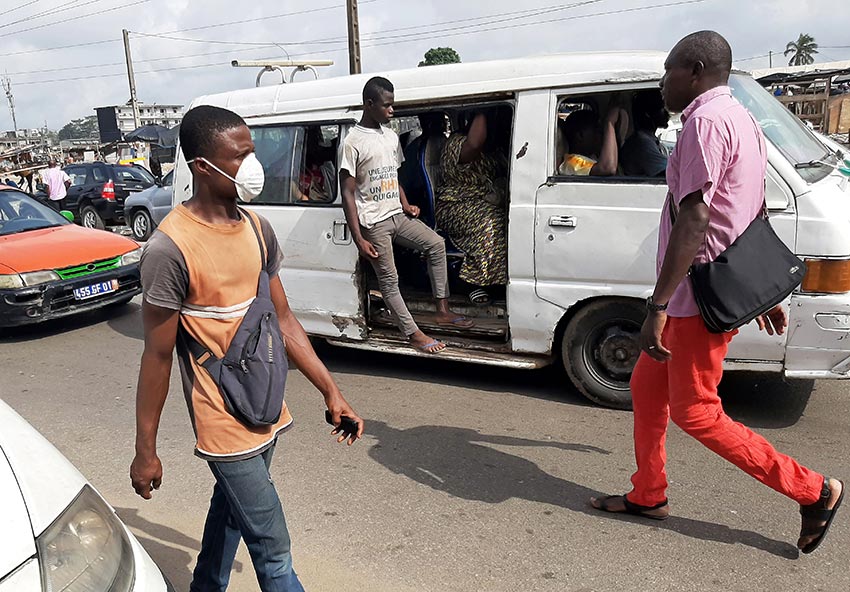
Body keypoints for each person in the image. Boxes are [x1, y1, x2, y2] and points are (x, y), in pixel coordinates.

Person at [589, 31, 843, 555]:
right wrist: (759, 290)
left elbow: (697, 218)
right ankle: (648, 494)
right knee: (645, 387)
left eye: (668, 73)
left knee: (697, 412)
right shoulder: (742, 118)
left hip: (693, 299)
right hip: (709, 287)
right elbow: (748, 209)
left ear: (696, 69)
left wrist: (657, 307)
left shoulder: (703, 123)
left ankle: (813, 489)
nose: (662, 84)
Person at [130, 105, 365, 591]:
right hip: (220, 418)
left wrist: (330, 391)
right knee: (273, 551)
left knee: (232, 513)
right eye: (240, 156)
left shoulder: (258, 230)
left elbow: (282, 319)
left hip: (264, 404)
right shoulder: (170, 248)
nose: (252, 166)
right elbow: (156, 357)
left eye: (252, 152)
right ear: (202, 167)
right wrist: (145, 451)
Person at [340, 77, 473, 355]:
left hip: (397, 215)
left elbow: (394, 176)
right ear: (370, 104)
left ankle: (442, 310)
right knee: (390, 280)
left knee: (436, 244)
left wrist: (406, 204)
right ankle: (412, 334)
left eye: (393, 105)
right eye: (387, 106)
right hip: (374, 223)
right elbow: (348, 194)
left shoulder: (390, 137)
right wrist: (358, 238)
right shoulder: (353, 142)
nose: (392, 111)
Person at [435, 110, 509, 305]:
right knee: (492, 221)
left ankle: (499, 276)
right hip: (454, 204)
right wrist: (484, 109)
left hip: (484, 199)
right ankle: (474, 281)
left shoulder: (495, 149)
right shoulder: (456, 143)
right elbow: (474, 144)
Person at [558, 107, 627, 176]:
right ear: (581, 135)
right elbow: (607, 168)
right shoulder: (571, 162)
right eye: (596, 130)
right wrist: (609, 123)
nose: (601, 134)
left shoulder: (593, 156)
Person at [620, 90, 670, 177]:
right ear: (648, 114)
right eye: (662, 109)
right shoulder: (642, 143)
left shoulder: (648, 139)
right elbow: (670, 174)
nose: (667, 114)